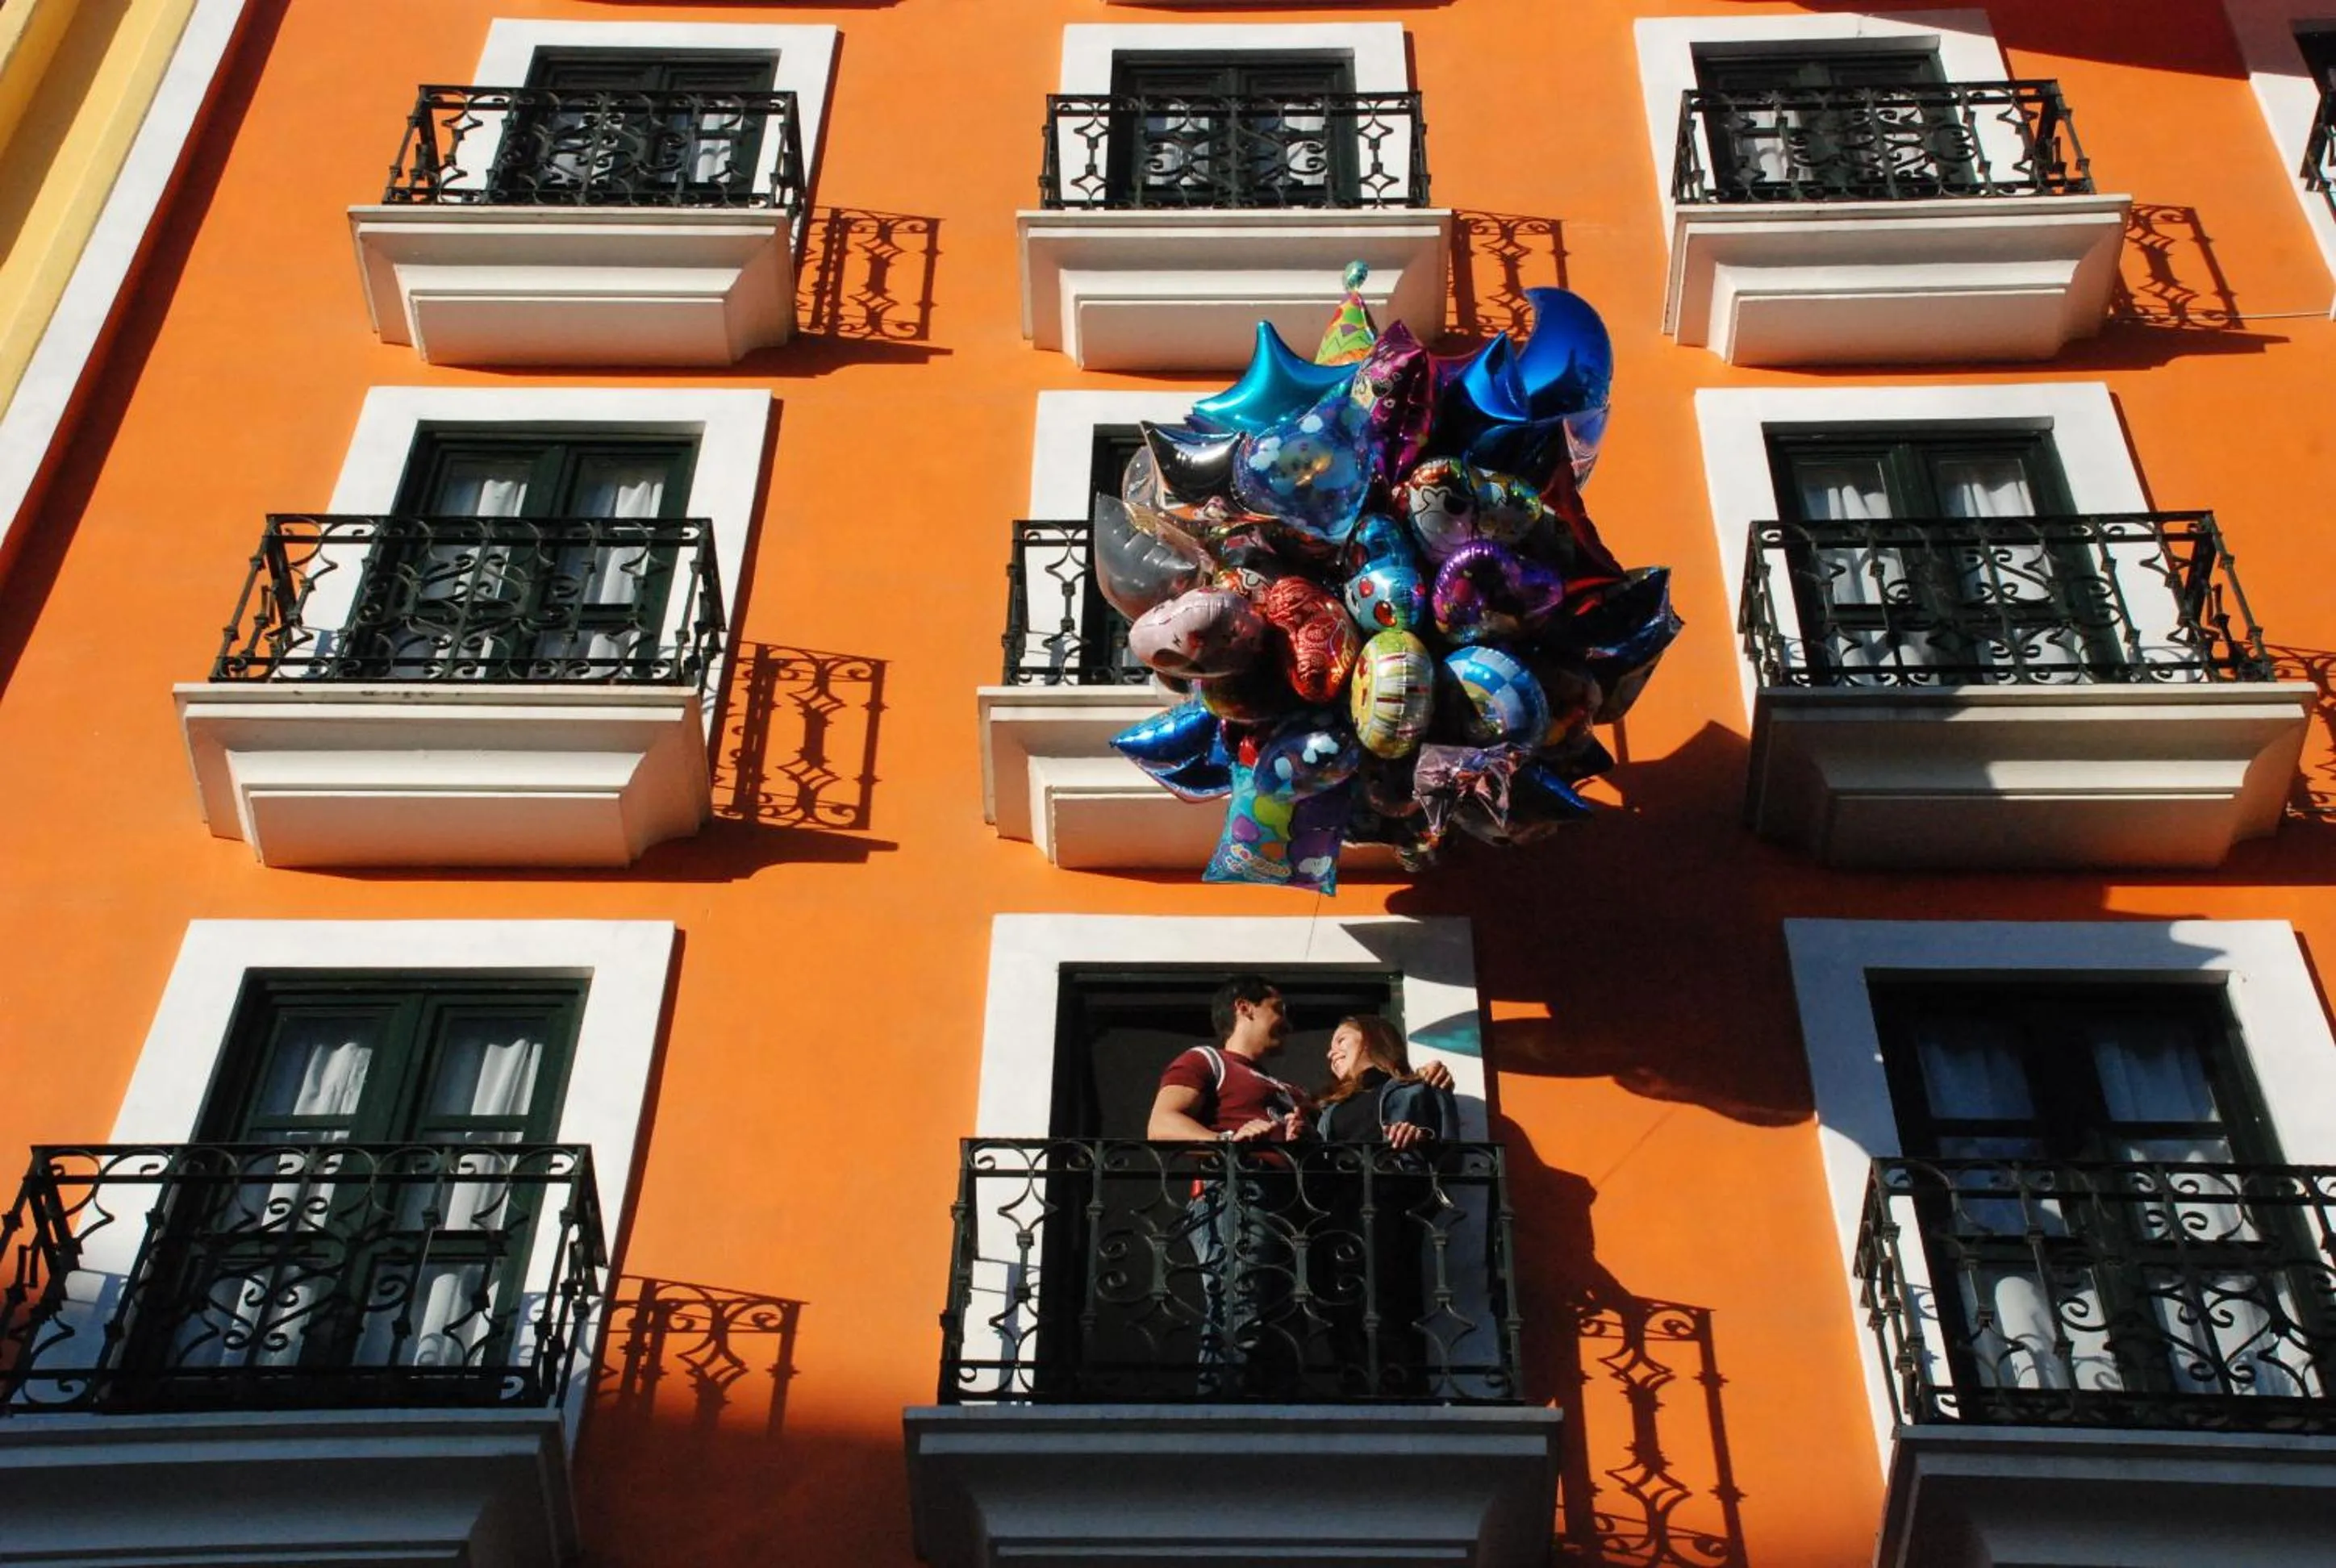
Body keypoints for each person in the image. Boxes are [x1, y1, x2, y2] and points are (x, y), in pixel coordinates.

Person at [1147, 976, 1308, 1391]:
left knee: (1284, 1331)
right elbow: (1162, 1125)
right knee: (1240, 1312)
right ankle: (1217, 1417)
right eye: (1280, 1009)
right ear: (1245, 1007)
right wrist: (1228, 1144)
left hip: (1293, 1208)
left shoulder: (1290, 1090)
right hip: (1237, 1195)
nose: (1288, 1021)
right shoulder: (1206, 1060)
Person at [1312, 1014, 1460, 1396]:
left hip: (1390, 1208)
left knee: (1388, 1302)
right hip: (1337, 1219)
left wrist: (1420, 1138)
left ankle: (1398, 1392)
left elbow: (1451, 1158)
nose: (1332, 1052)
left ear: (1373, 1039)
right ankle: (1356, 1387)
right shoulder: (1328, 1110)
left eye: (1342, 1039)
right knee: (1341, 1307)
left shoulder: (1416, 1089)